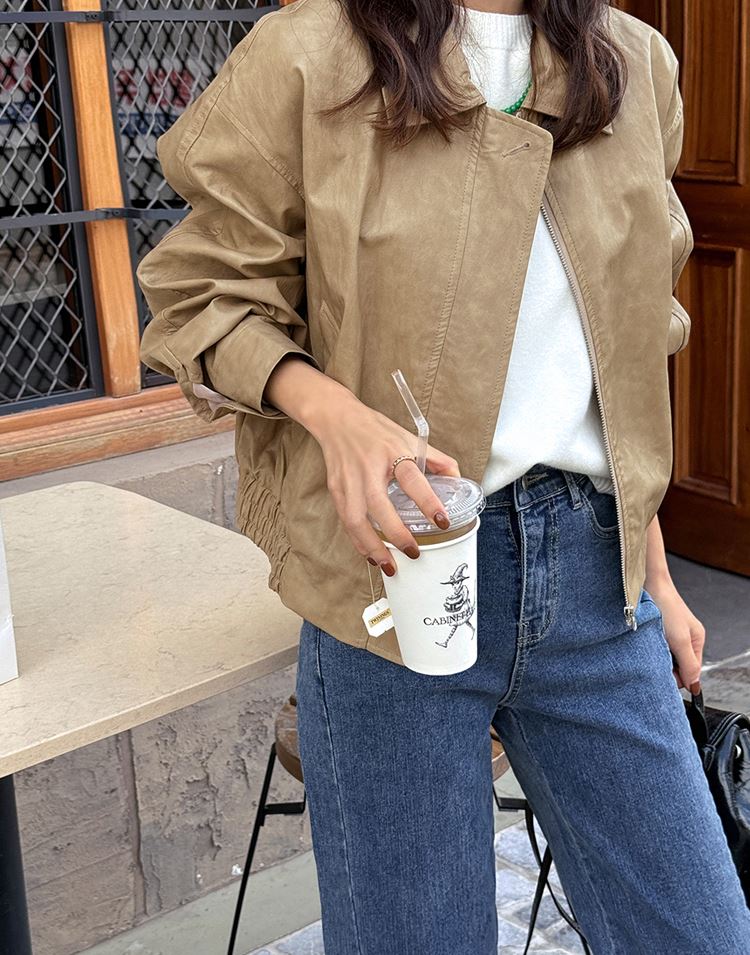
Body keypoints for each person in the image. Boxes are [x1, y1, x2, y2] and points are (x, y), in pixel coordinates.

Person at [136, 0, 750, 951]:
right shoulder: (311, 55)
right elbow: (201, 295)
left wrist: (656, 574)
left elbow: (621, 363)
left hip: (598, 580)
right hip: (392, 582)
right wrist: (335, 415)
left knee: (702, 932)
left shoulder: (633, 63)